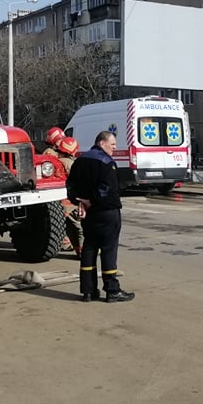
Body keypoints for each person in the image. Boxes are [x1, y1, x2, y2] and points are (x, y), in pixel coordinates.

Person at [66, 130, 134, 303]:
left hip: (89, 215)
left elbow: (71, 185)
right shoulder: (106, 162)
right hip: (106, 212)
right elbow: (108, 188)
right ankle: (112, 290)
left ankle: (88, 291)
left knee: (89, 248)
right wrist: (91, 201)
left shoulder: (79, 161)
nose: (114, 148)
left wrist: (80, 202)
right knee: (108, 249)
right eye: (112, 144)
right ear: (101, 143)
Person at [56, 136, 84, 254]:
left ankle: (77, 248)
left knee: (68, 227)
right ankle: (83, 251)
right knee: (79, 228)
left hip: (58, 202)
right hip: (71, 202)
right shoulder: (72, 165)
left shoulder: (54, 162)